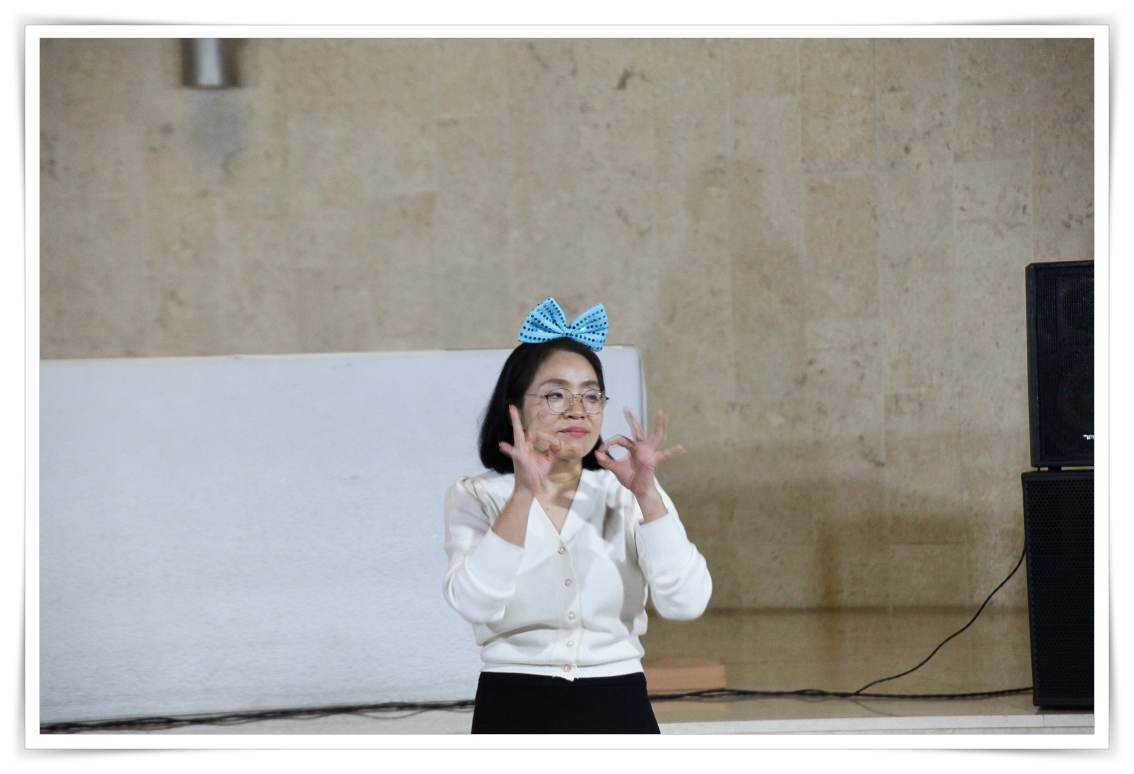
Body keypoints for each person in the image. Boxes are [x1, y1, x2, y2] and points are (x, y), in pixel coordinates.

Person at [442, 297, 712, 734]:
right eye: (556, 395)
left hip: (619, 701)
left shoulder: (626, 491)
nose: (577, 410)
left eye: (590, 395)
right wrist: (523, 495)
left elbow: (686, 602)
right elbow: (475, 602)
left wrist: (648, 498)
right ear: (514, 407)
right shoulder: (478, 495)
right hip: (513, 703)